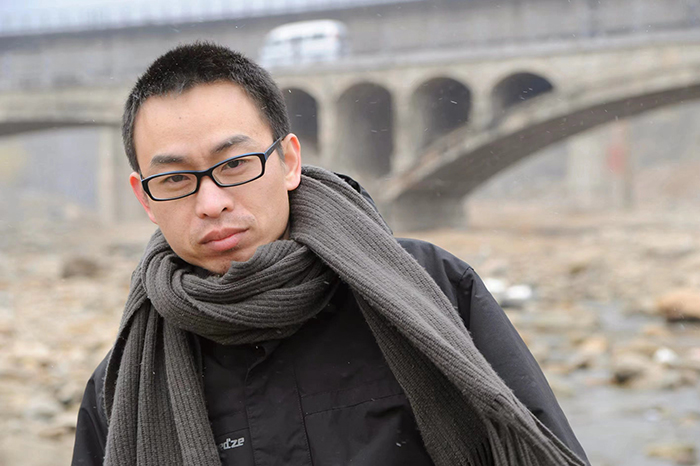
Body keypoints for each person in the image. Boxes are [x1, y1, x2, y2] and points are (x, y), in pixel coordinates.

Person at [71, 42, 589, 466]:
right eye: (175, 180)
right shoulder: (123, 385)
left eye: (234, 165)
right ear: (145, 199)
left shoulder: (430, 290)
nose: (211, 203)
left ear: (289, 161)